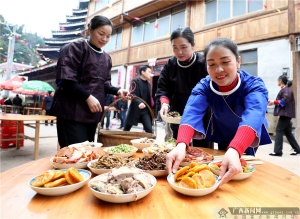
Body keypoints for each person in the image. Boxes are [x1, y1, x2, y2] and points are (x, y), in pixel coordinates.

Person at [166, 38, 272, 186]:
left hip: (247, 131)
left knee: (239, 168)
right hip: (223, 129)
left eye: (225, 62)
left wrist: (236, 149)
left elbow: (254, 113)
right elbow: (192, 112)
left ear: (238, 61)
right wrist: (181, 144)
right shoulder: (204, 85)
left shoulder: (254, 85)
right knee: (221, 164)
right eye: (211, 64)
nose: (219, 70)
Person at [51, 15, 127, 148]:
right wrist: (87, 96)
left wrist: (118, 90)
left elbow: (104, 83)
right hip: (72, 113)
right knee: (74, 154)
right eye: (101, 34)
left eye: (108, 36)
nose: (104, 39)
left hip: (92, 115)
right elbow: (65, 79)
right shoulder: (74, 48)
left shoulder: (106, 58)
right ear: (90, 30)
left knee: (88, 154)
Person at [155, 27, 211, 147]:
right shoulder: (171, 64)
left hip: (201, 113)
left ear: (193, 45)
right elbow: (163, 88)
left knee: (202, 151)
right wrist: (164, 103)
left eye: (183, 47)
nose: (179, 52)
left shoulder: (203, 63)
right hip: (177, 114)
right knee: (178, 146)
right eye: (175, 48)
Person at [268, 75, 300, 156]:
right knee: (288, 132)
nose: (277, 82)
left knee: (279, 130)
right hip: (286, 113)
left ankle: (277, 151)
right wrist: (273, 102)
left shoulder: (286, 90)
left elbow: (284, 101)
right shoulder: (286, 89)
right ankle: (297, 149)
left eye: (278, 80)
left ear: (281, 81)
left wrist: (274, 101)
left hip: (285, 114)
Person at [124, 65, 153, 133]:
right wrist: (139, 102)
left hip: (145, 110)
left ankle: (148, 143)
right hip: (135, 108)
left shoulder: (148, 84)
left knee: (149, 130)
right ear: (142, 72)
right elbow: (132, 94)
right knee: (126, 129)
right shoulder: (135, 81)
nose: (150, 74)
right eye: (149, 71)